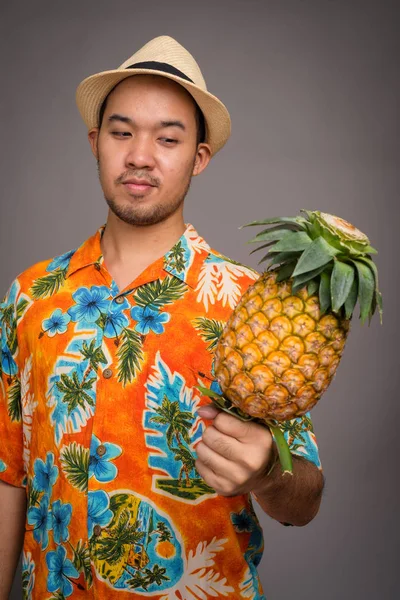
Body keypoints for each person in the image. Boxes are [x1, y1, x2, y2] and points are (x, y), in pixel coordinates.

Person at [0, 36, 324, 599]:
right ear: (96, 143)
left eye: (168, 138)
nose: (140, 156)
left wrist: (269, 474)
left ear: (199, 156)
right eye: (122, 133)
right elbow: (8, 475)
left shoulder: (249, 303)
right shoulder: (29, 297)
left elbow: (306, 499)